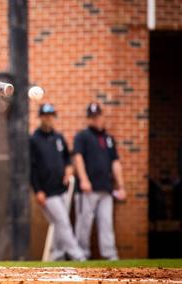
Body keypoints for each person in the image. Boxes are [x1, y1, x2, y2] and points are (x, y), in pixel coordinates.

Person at [30, 103, 85, 261]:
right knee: (62, 222)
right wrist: (38, 190)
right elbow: (32, 168)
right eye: (45, 116)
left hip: (62, 189)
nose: (48, 119)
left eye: (51, 115)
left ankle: (56, 255)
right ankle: (78, 255)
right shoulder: (34, 140)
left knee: (59, 224)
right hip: (47, 192)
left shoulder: (59, 138)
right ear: (40, 117)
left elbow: (68, 159)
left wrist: (69, 170)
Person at [73, 103, 127, 260]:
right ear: (88, 119)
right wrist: (84, 180)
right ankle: (81, 255)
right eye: (92, 117)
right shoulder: (82, 136)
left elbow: (115, 162)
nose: (96, 119)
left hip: (106, 189)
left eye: (98, 116)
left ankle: (110, 255)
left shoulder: (108, 139)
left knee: (106, 223)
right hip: (87, 189)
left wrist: (121, 186)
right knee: (84, 224)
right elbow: (78, 158)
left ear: (102, 117)